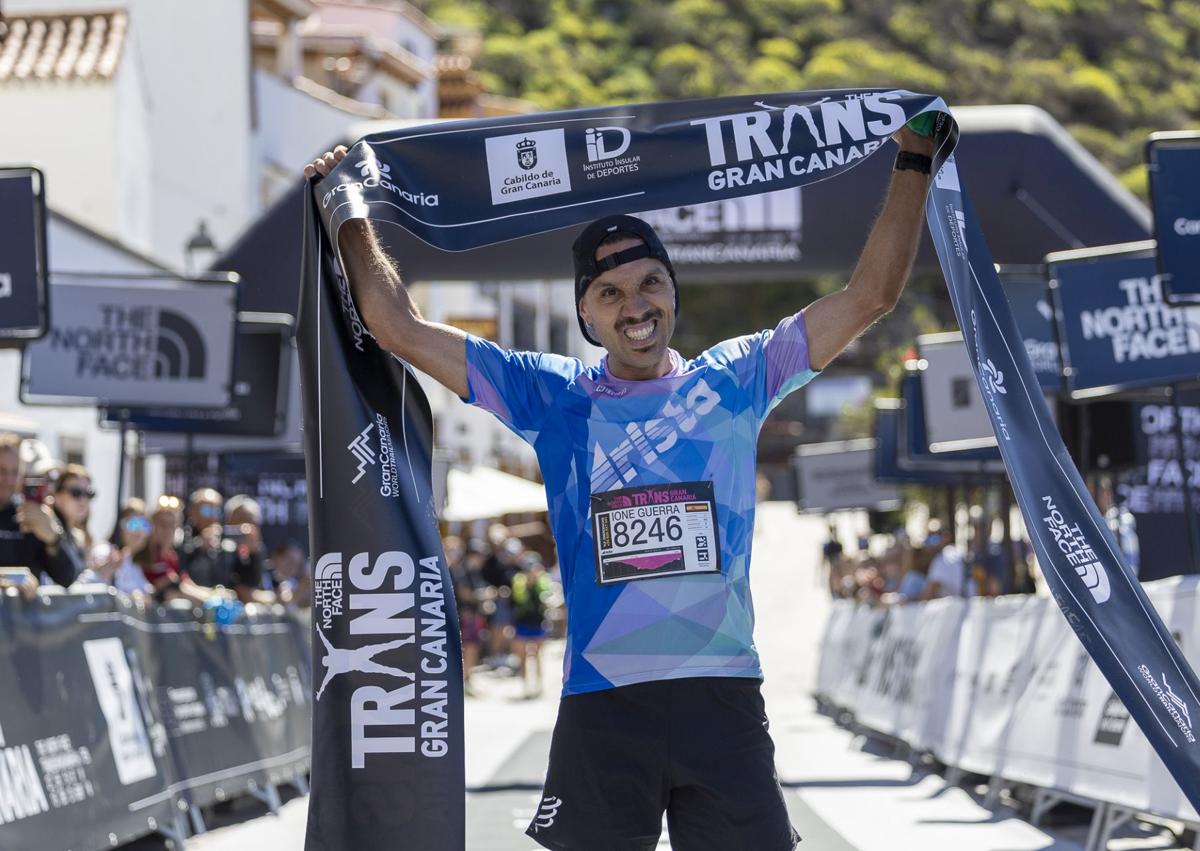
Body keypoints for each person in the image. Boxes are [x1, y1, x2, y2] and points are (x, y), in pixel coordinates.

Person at [306, 115, 936, 850]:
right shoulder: (552, 395)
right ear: (584, 313)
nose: (634, 305)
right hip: (603, 703)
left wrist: (914, 161)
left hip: (721, 694)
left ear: (674, 289)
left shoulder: (738, 375)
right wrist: (347, 207)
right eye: (609, 293)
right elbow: (398, 327)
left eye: (649, 283)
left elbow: (871, 298)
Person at [0, 434, 80, 596]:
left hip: (22, 619)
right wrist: (7, 580)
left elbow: (68, 578)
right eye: (1, 470)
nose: (8, 479)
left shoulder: (31, 515)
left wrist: (52, 538)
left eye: (15, 472)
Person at [75, 498, 154, 596]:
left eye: (145, 525)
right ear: (119, 526)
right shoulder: (104, 552)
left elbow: (147, 592)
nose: (139, 532)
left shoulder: (133, 563)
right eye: (133, 524)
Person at [510, 552, 553, 697]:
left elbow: (547, 595)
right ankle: (525, 686)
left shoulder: (544, 579)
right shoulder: (519, 579)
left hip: (538, 622)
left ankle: (539, 686)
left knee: (538, 654)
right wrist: (528, 584)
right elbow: (519, 598)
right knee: (522, 656)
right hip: (522, 622)